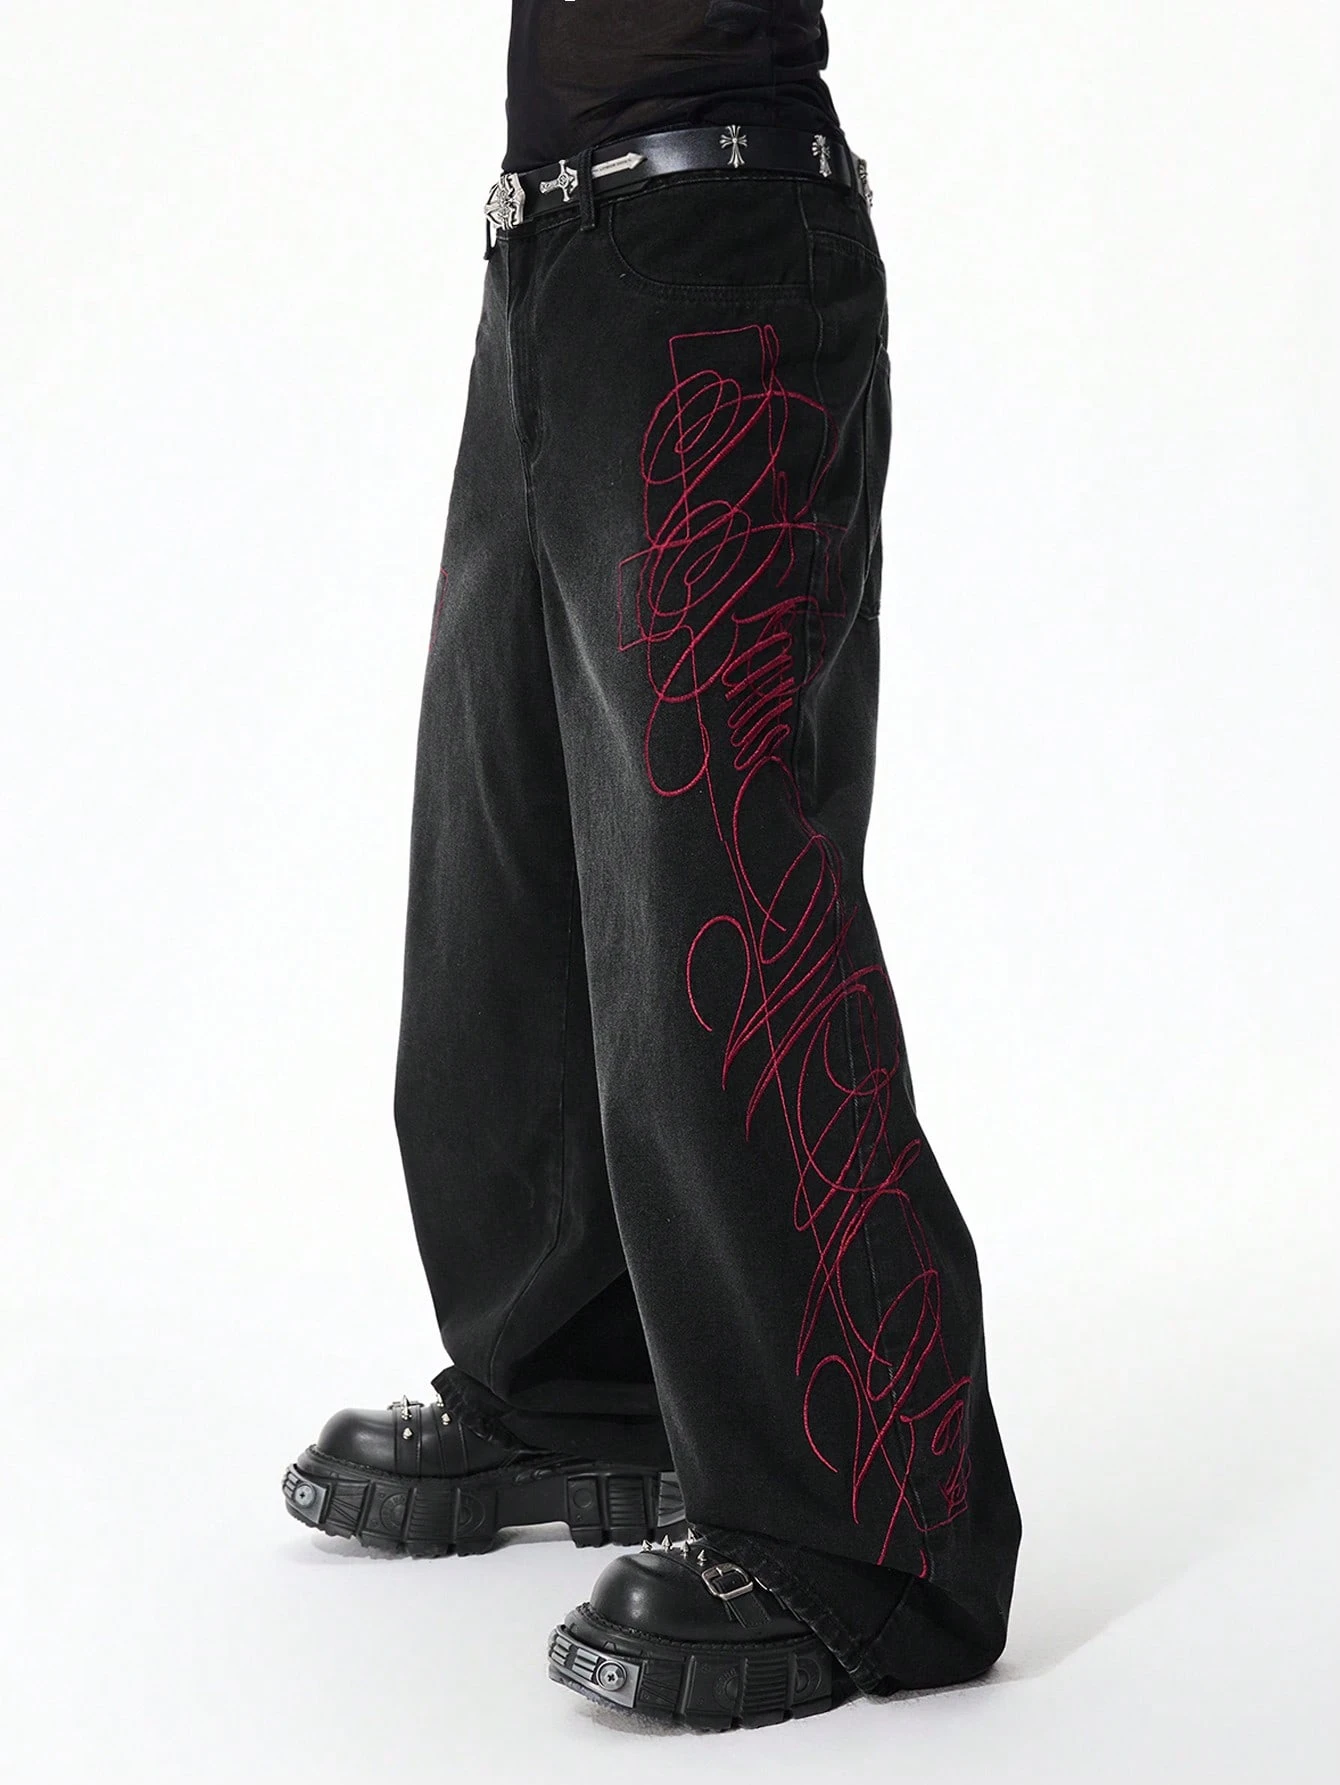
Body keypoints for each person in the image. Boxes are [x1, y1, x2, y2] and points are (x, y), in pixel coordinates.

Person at [282, 1, 1022, 1730]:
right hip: (556, 262)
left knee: (725, 905)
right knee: (510, 863)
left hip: (719, 251)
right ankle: (587, 1384)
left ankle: (871, 1543)